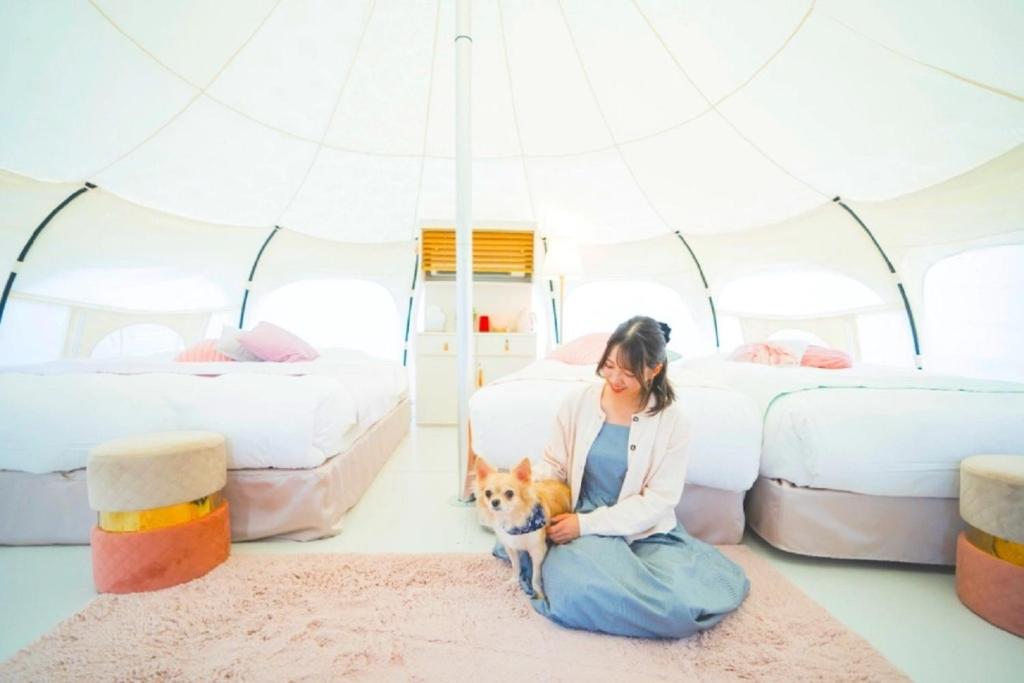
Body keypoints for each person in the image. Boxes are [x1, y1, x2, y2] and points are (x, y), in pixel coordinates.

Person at [495, 316, 749, 638]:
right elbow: (554, 465)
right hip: (576, 519)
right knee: (576, 592)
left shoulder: (674, 423)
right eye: (609, 366)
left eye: (629, 372)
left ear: (654, 370)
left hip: (641, 528)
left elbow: (659, 500)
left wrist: (586, 525)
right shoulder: (576, 403)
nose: (615, 378)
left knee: (676, 608)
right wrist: (527, 495)